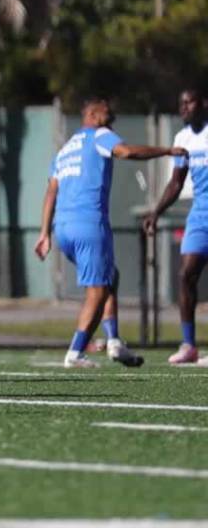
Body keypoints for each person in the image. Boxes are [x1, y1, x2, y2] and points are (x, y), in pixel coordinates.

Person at [35, 97, 184, 368]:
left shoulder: (65, 148)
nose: (111, 112)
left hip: (63, 228)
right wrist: (166, 151)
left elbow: (51, 191)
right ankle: (75, 353)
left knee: (110, 276)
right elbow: (126, 152)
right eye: (106, 108)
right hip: (89, 223)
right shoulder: (100, 135)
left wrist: (44, 232)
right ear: (91, 113)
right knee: (98, 290)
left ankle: (114, 341)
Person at [144, 87, 208, 364]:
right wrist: (156, 212)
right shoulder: (182, 139)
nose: (183, 108)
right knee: (185, 275)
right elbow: (176, 182)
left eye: (189, 102)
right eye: (180, 103)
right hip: (200, 213)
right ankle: (189, 345)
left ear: (203, 104)